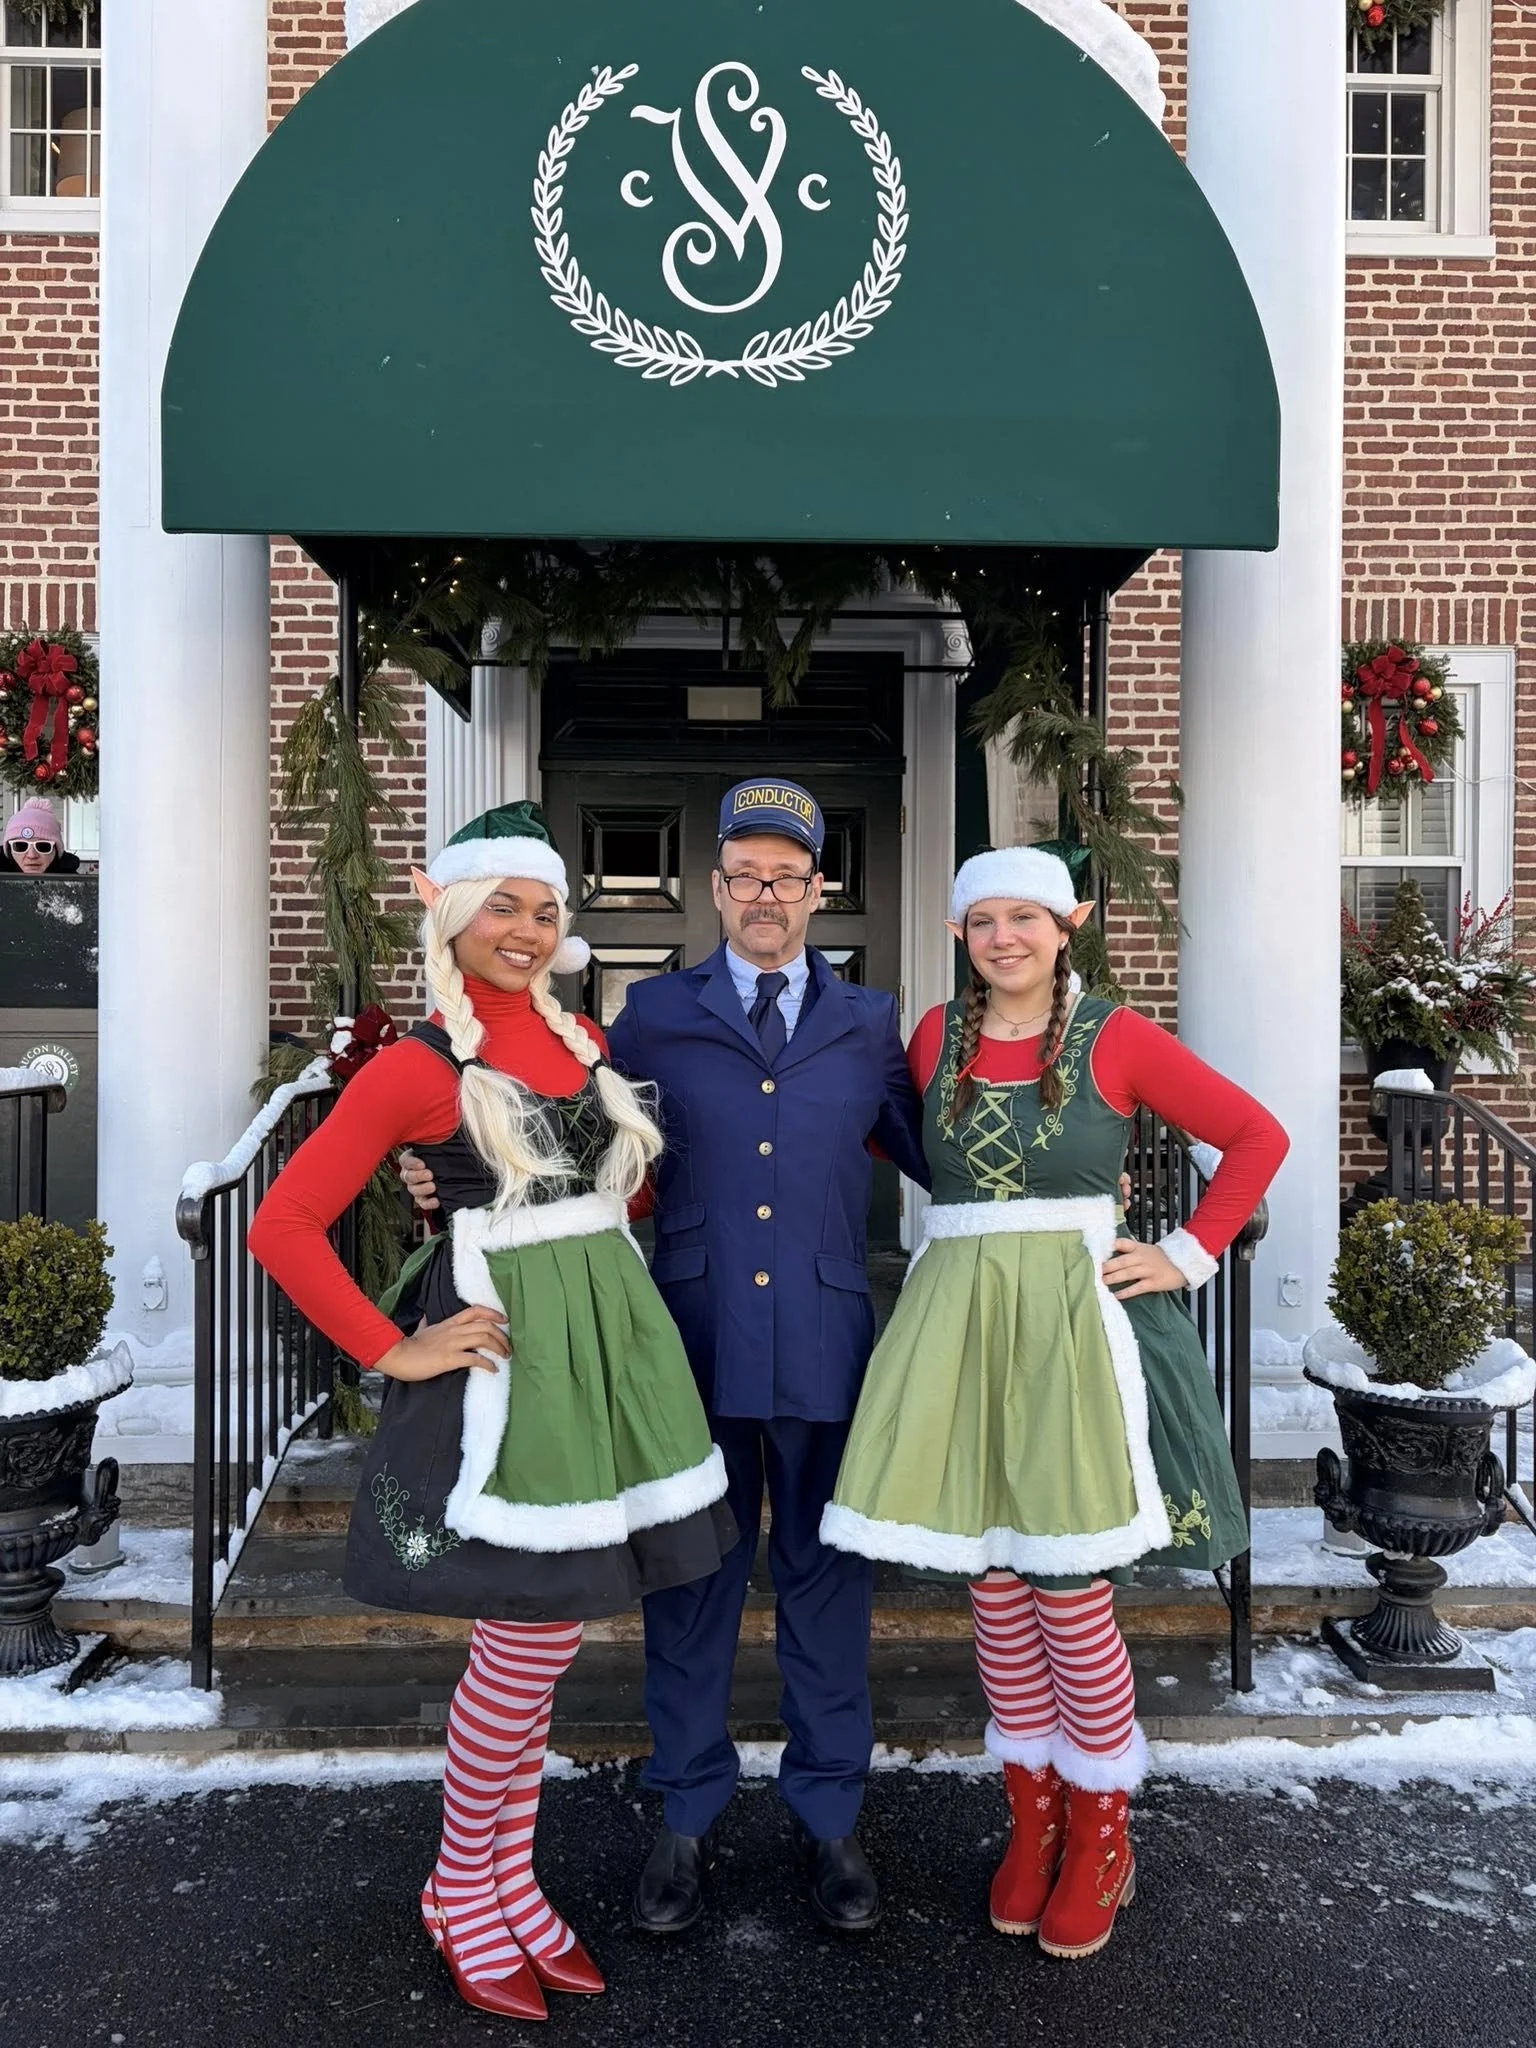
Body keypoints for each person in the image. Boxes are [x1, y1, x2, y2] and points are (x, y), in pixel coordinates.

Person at [404, 777, 928, 1936]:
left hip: (833, 1348)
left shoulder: (868, 1021)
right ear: (715, 887)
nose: (765, 895)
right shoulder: (645, 1020)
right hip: (684, 1347)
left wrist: (1089, 1193)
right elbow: (571, 1152)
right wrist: (441, 1173)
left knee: (825, 1588)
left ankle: (831, 1814)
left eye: (787, 876)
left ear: (817, 889)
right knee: (689, 1588)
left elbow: (941, 1155)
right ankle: (684, 1813)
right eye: (744, 874)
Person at [249, 802, 734, 2020]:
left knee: (550, 1640)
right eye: (503, 905)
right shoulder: (417, 1066)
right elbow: (282, 1224)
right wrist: (394, 1347)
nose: (526, 928)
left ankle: (506, 1880)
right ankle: (462, 1884)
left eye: (544, 908)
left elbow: (597, 1200)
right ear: (456, 914)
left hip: (602, 1360)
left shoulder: (578, 1039)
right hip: (516, 1374)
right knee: (518, 1647)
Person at [821, 845, 1288, 1961]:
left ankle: (1101, 1829)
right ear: (959, 934)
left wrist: (1185, 1250)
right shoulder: (936, 1036)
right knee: (992, 1576)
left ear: (1064, 923)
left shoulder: (1116, 1035)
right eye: (983, 920)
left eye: (1024, 916)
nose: (1004, 938)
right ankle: (1030, 1818)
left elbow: (1257, 1134)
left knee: (1067, 1583)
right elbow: (897, 1136)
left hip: (1077, 1323)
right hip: (959, 1316)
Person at [2, 797, 79, 876]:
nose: (32, 855)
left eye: (43, 846)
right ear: (9, 850)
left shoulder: (76, 886)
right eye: (20, 846)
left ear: (56, 851)